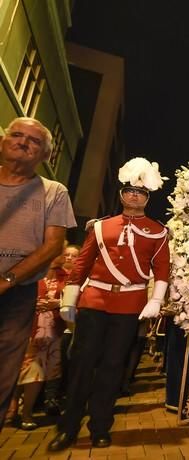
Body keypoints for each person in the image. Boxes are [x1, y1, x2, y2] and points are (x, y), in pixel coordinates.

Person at [48, 157, 170, 451]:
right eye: (129, 191)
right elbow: (82, 265)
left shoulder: (158, 232)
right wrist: (70, 298)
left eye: (140, 193)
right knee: (81, 364)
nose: (134, 196)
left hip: (129, 306)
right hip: (94, 301)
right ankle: (68, 427)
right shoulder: (101, 227)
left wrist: (156, 299)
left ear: (147, 198)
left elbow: (163, 270)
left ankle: (100, 426)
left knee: (112, 367)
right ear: (121, 195)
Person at [0, 117, 77, 433]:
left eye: (33, 141)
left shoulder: (53, 191)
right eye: (16, 135)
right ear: (4, 141)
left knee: (5, 370)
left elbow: (51, 246)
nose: (22, 142)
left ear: (45, 154)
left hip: (18, 293)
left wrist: (7, 281)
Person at [8, 245, 80, 430]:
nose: (64, 257)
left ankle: (23, 410)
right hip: (28, 330)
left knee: (37, 375)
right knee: (27, 372)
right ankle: (20, 410)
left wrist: (59, 303)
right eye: (61, 253)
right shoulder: (30, 273)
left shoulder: (66, 277)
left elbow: (75, 301)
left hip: (53, 332)